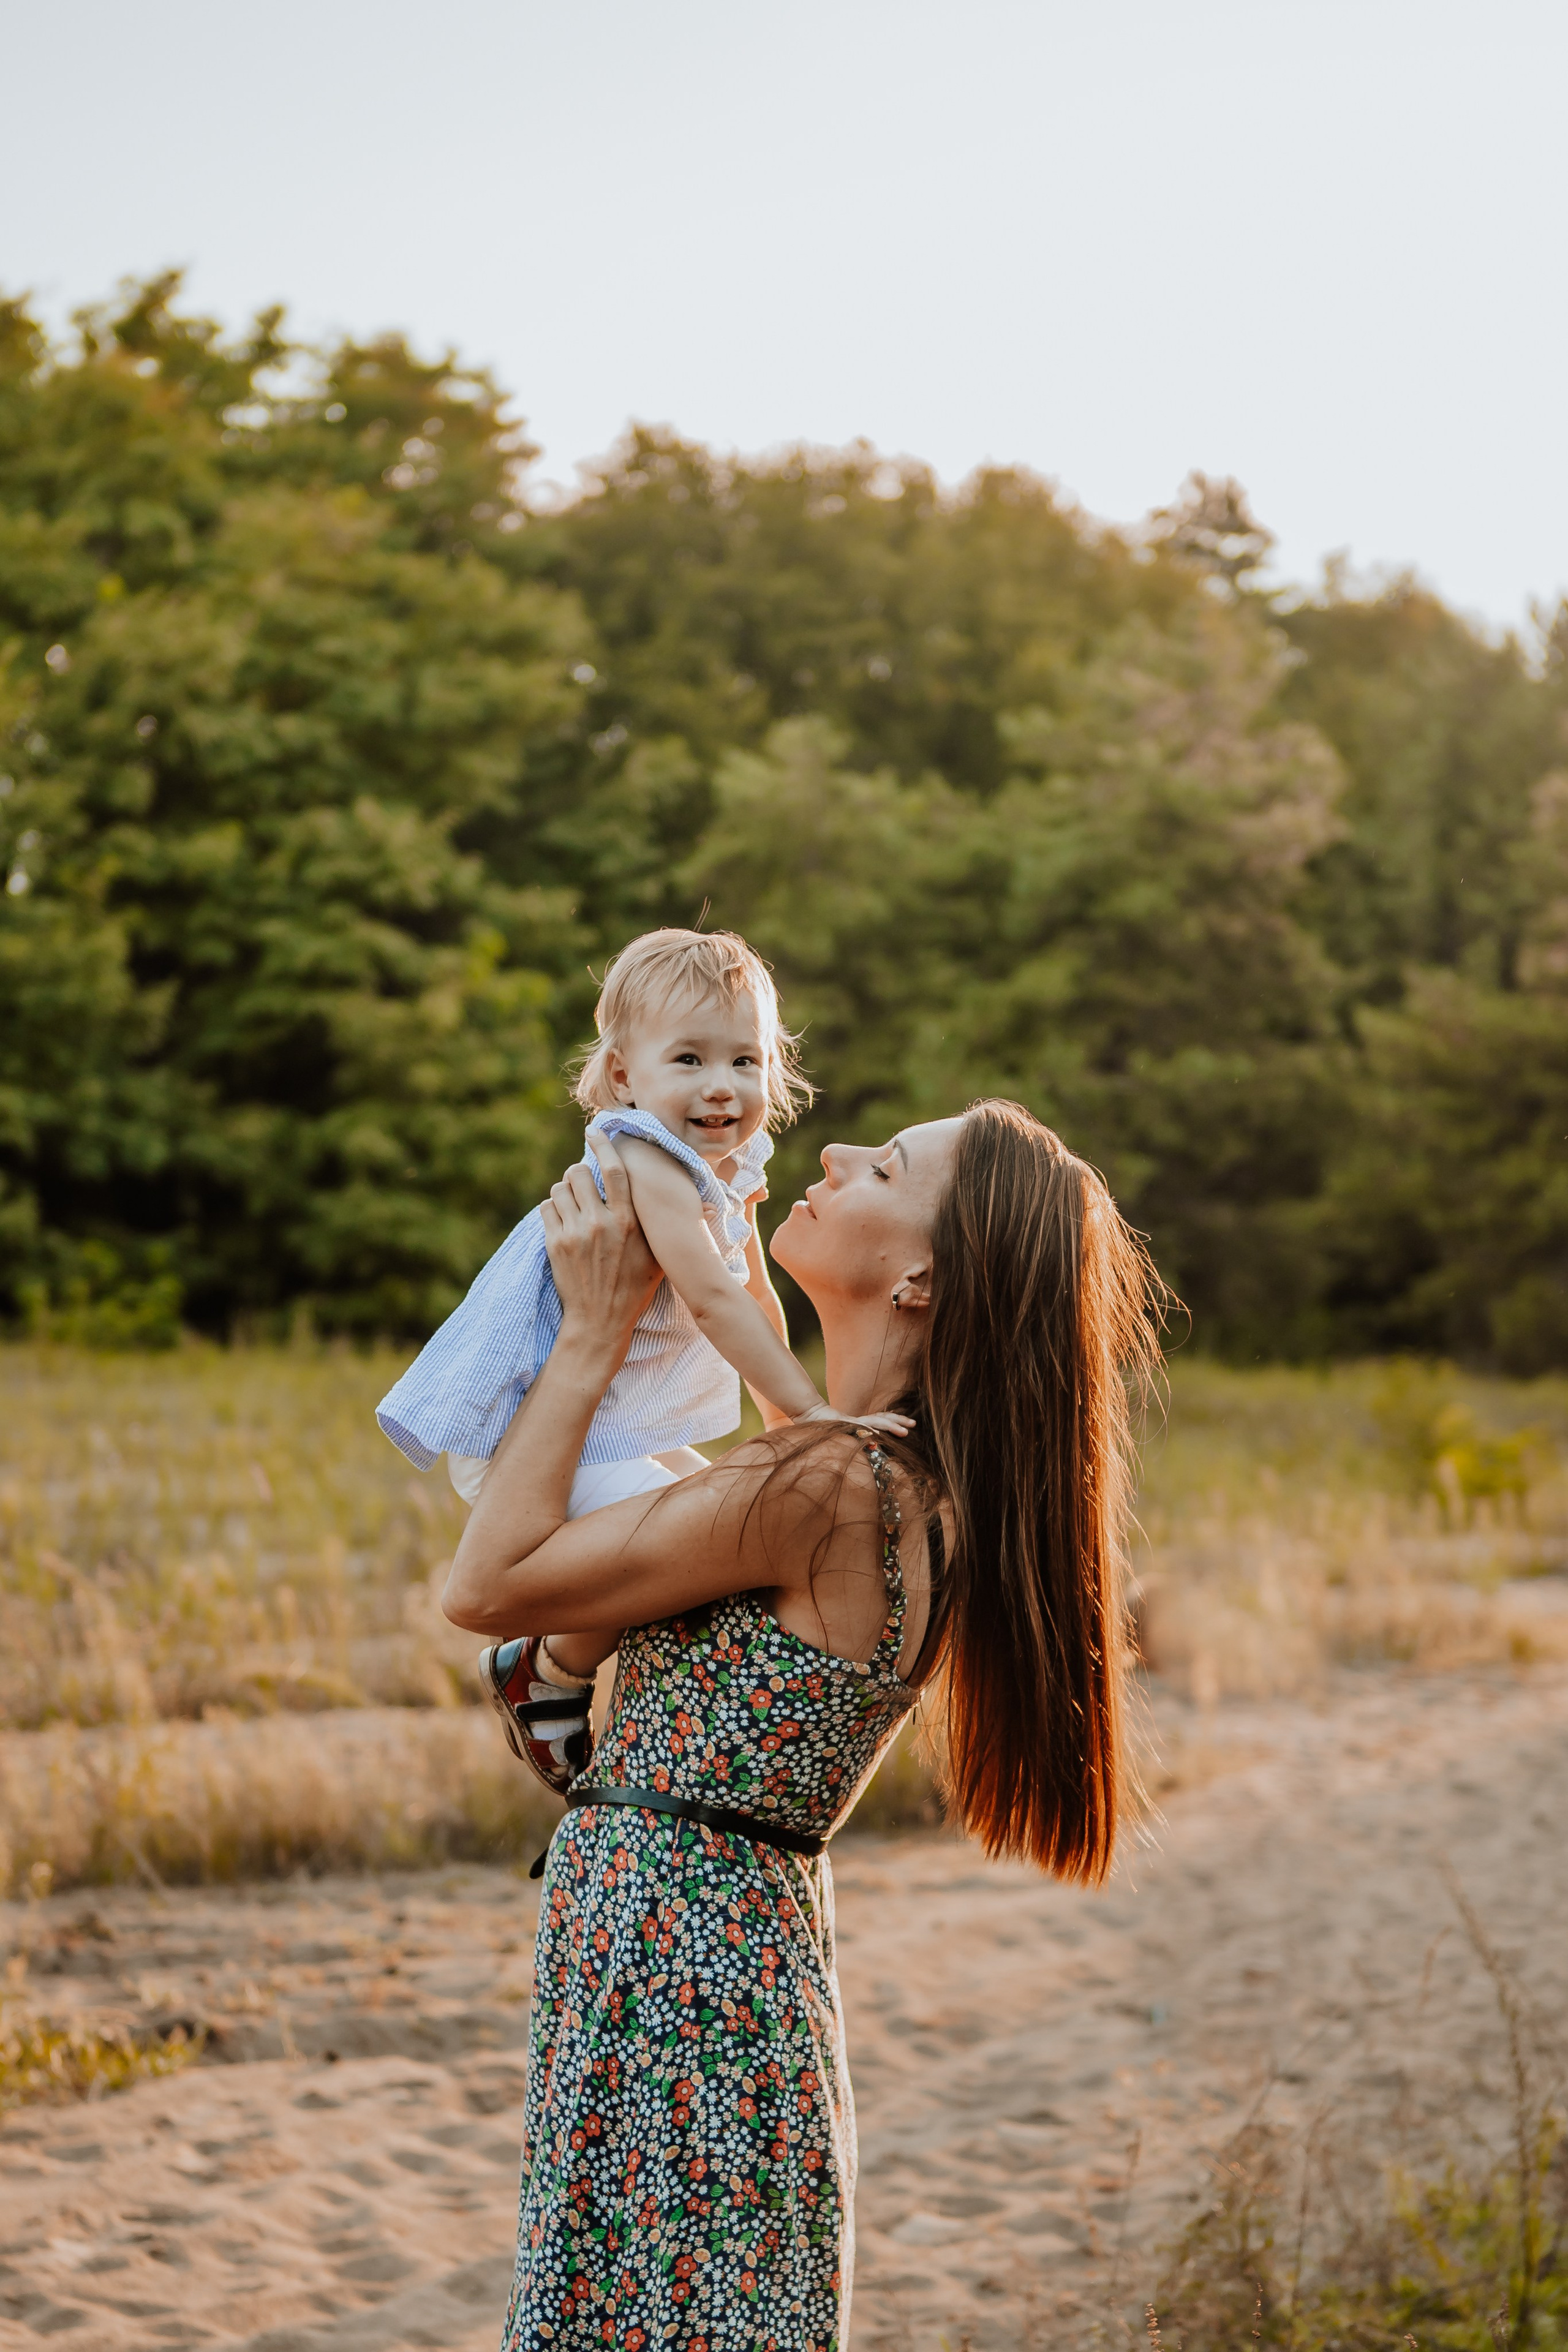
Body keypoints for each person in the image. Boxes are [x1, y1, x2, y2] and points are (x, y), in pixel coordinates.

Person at [442, 1098, 1163, 2352]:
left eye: (884, 1166)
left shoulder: (829, 1484)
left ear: (921, 1278)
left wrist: (594, 1333)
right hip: (710, 1965)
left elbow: (485, 1585)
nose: (832, 1154)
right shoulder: (882, 1476)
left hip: (681, 1978)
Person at [375, 927, 908, 1780]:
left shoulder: (725, 1165)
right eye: (689, 1059)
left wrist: (799, 1432)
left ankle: (594, 1689)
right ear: (624, 1077)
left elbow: (753, 1294)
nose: (721, 1085)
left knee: (722, 1514)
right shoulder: (645, 1157)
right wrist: (817, 1414)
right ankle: (548, 1672)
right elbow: (711, 1299)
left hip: (608, 1427)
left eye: (745, 1060)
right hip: (535, 1431)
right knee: (696, 1543)